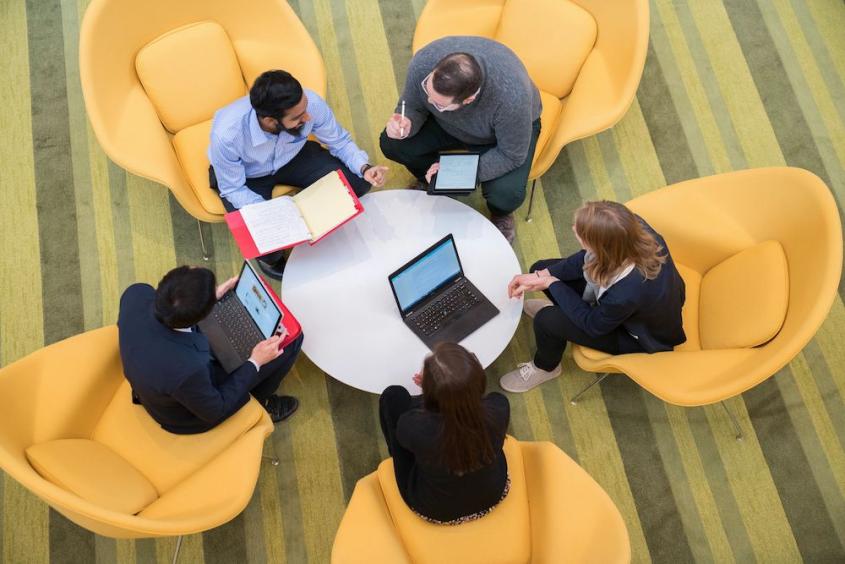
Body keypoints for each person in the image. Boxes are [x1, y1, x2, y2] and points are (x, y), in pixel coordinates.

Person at [209, 70, 388, 279]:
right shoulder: (226, 135)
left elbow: (339, 141)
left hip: (293, 157)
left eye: (305, 109)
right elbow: (233, 188)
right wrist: (274, 212)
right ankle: (273, 260)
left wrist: (365, 168)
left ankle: (316, 218)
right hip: (248, 176)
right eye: (298, 117)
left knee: (356, 183)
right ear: (270, 121)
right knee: (266, 238)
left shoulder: (309, 103)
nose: (308, 116)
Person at [500, 201, 686, 393]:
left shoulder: (626, 292)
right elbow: (585, 257)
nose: (574, 229)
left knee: (547, 320)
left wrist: (551, 283)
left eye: (581, 234)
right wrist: (542, 275)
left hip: (635, 335)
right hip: (621, 307)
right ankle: (561, 310)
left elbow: (593, 325)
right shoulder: (632, 229)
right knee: (539, 269)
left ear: (602, 247)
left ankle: (546, 367)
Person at [380, 36, 542, 244]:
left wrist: (455, 171)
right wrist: (405, 122)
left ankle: (501, 214)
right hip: (446, 123)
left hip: (499, 138)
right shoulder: (424, 62)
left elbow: (511, 155)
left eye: (438, 103)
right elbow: (413, 104)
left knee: (506, 194)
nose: (428, 100)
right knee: (392, 144)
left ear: (469, 100)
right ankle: (429, 178)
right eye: (427, 90)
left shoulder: (512, 99)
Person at [117, 265, 303, 434]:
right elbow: (215, 409)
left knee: (241, 340)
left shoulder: (135, 293)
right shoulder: (189, 369)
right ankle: (263, 401)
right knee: (289, 343)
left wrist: (209, 300)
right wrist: (255, 361)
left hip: (155, 377)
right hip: (184, 413)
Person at [379, 342, 510, 524]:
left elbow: (404, 434)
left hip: (435, 508)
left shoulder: (414, 427)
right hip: (492, 492)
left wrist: (428, 395)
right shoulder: (499, 406)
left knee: (393, 397)